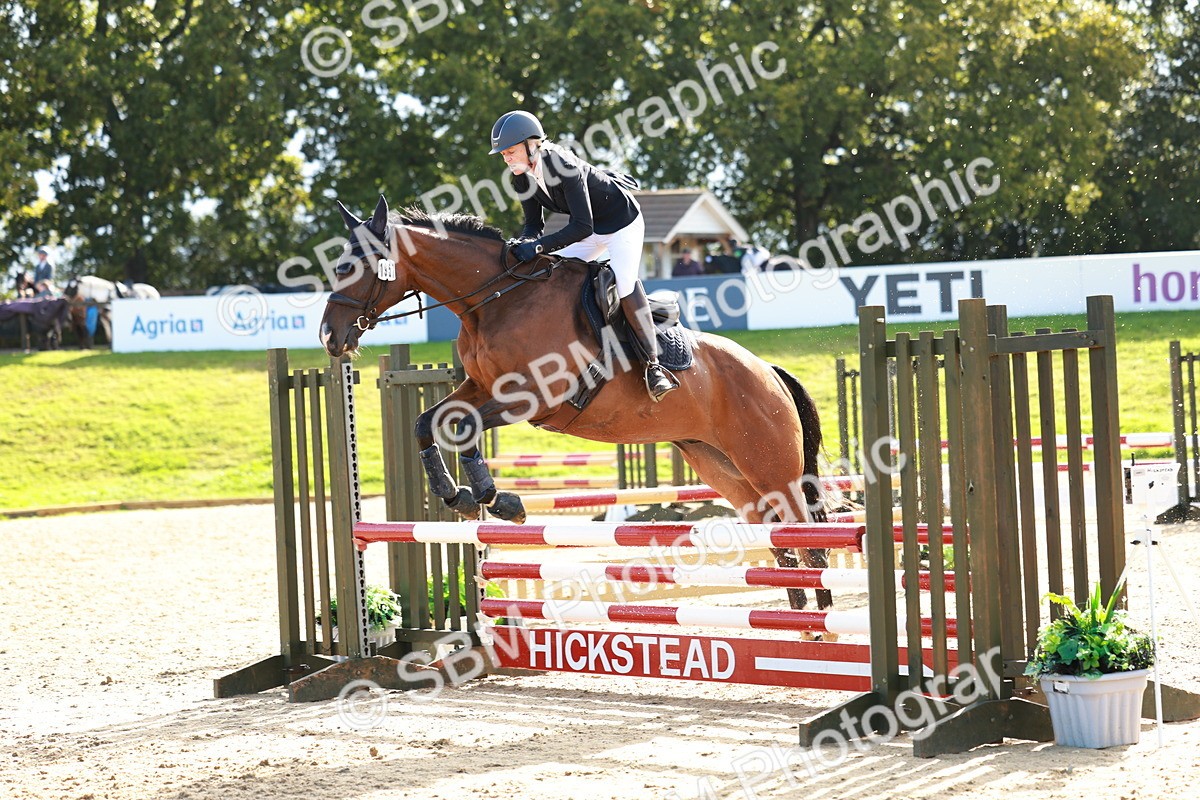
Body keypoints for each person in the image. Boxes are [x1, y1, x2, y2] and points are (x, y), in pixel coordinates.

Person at [490, 109, 677, 401]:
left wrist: (538, 247)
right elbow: (533, 225)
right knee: (553, 274)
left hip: (620, 224)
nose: (507, 158)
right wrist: (525, 244)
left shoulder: (562, 165)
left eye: (511, 151)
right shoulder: (521, 179)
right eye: (503, 154)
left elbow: (581, 225)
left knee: (624, 283)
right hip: (588, 230)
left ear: (532, 144)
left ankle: (653, 367)